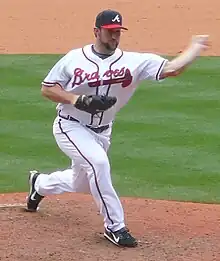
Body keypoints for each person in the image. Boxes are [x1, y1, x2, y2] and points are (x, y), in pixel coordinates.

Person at [25, 9, 209, 248]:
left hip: (103, 131)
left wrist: (194, 48)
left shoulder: (133, 61)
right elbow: (47, 88)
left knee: (80, 181)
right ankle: (115, 227)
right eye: (110, 32)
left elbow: (172, 68)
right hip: (70, 126)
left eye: (118, 32)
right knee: (98, 164)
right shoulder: (74, 58)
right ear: (96, 31)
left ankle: (39, 184)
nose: (114, 37)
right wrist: (78, 100)